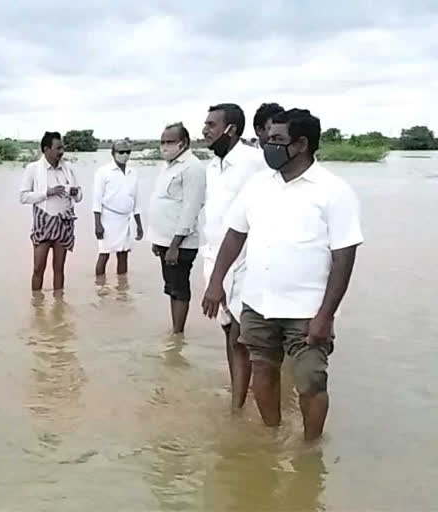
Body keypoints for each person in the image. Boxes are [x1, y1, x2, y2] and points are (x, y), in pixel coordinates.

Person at [202, 108, 363, 440]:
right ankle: (272, 438)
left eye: (277, 139)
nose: (267, 146)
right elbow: (235, 234)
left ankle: (310, 450)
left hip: (307, 311)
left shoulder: (334, 191)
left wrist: (326, 315)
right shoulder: (258, 185)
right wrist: (216, 282)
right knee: (263, 368)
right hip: (258, 302)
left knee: (311, 381)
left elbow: (344, 257)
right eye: (268, 138)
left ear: (301, 143)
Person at [201, 103, 267, 410]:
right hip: (215, 259)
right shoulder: (212, 166)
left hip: (248, 262)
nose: (205, 130)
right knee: (230, 332)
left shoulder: (255, 162)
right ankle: (238, 400)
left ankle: (246, 403)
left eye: (212, 125)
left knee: (244, 336)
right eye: (206, 124)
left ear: (231, 129)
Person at [147, 122, 206, 334]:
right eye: (162, 141)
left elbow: (190, 209)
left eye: (169, 141)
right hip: (164, 240)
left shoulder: (193, 167)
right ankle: (175, 330)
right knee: (171, 287)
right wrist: (157, 240)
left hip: (180, 243)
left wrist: (174, 245)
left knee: (180, 288)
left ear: (184, 143)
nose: (164, 146)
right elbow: (163, 202)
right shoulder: (168, 166)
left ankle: (178, 333)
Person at [20, 131, 83, 291]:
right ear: (46, 149)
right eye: (58, 148)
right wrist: (47, 192)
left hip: (64, 222)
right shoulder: (33, 169)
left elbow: (79, 196)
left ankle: (58, 307)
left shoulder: (68, 169)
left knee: (59, 269)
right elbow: (23, 197)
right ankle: (37, 306)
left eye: (62, 148)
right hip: (43, 223)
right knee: (38, 268)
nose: (61, 152)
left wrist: (74, 192)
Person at [92, 139, 143, 276]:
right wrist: (98, 224)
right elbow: (97, 201)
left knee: (123, 253)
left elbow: (136, 201)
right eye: (121, 152)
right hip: (108, 218)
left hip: (126, 219)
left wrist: (139, 225)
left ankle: (122, 288)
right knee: (104, 254)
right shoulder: (103, 172)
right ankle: (100, 287)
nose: (125, 155)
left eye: (128, 152)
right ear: (113, 153)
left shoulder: (133, 173)